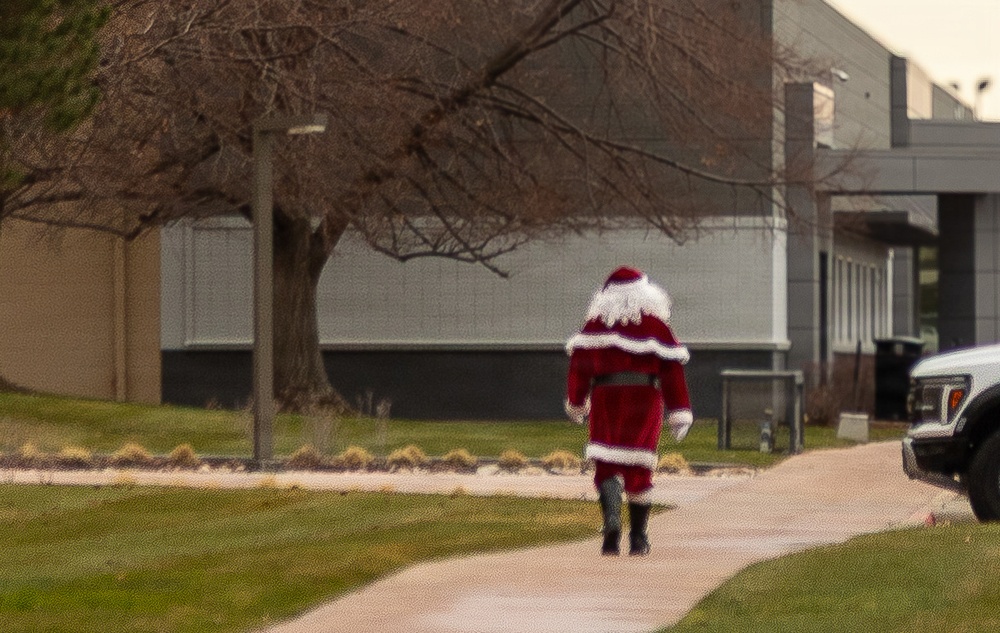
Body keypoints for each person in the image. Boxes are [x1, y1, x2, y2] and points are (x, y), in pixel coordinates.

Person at [565, 266, 692, 556]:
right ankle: (638, 537)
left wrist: (576, 401)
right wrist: (679, 411)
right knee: (639, 466)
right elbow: (672, 371)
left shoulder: (596, 325)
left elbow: (580, 367)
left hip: (606, 396)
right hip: (644, 398)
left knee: (606, 460)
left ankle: (611, 520)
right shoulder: (656, 326)